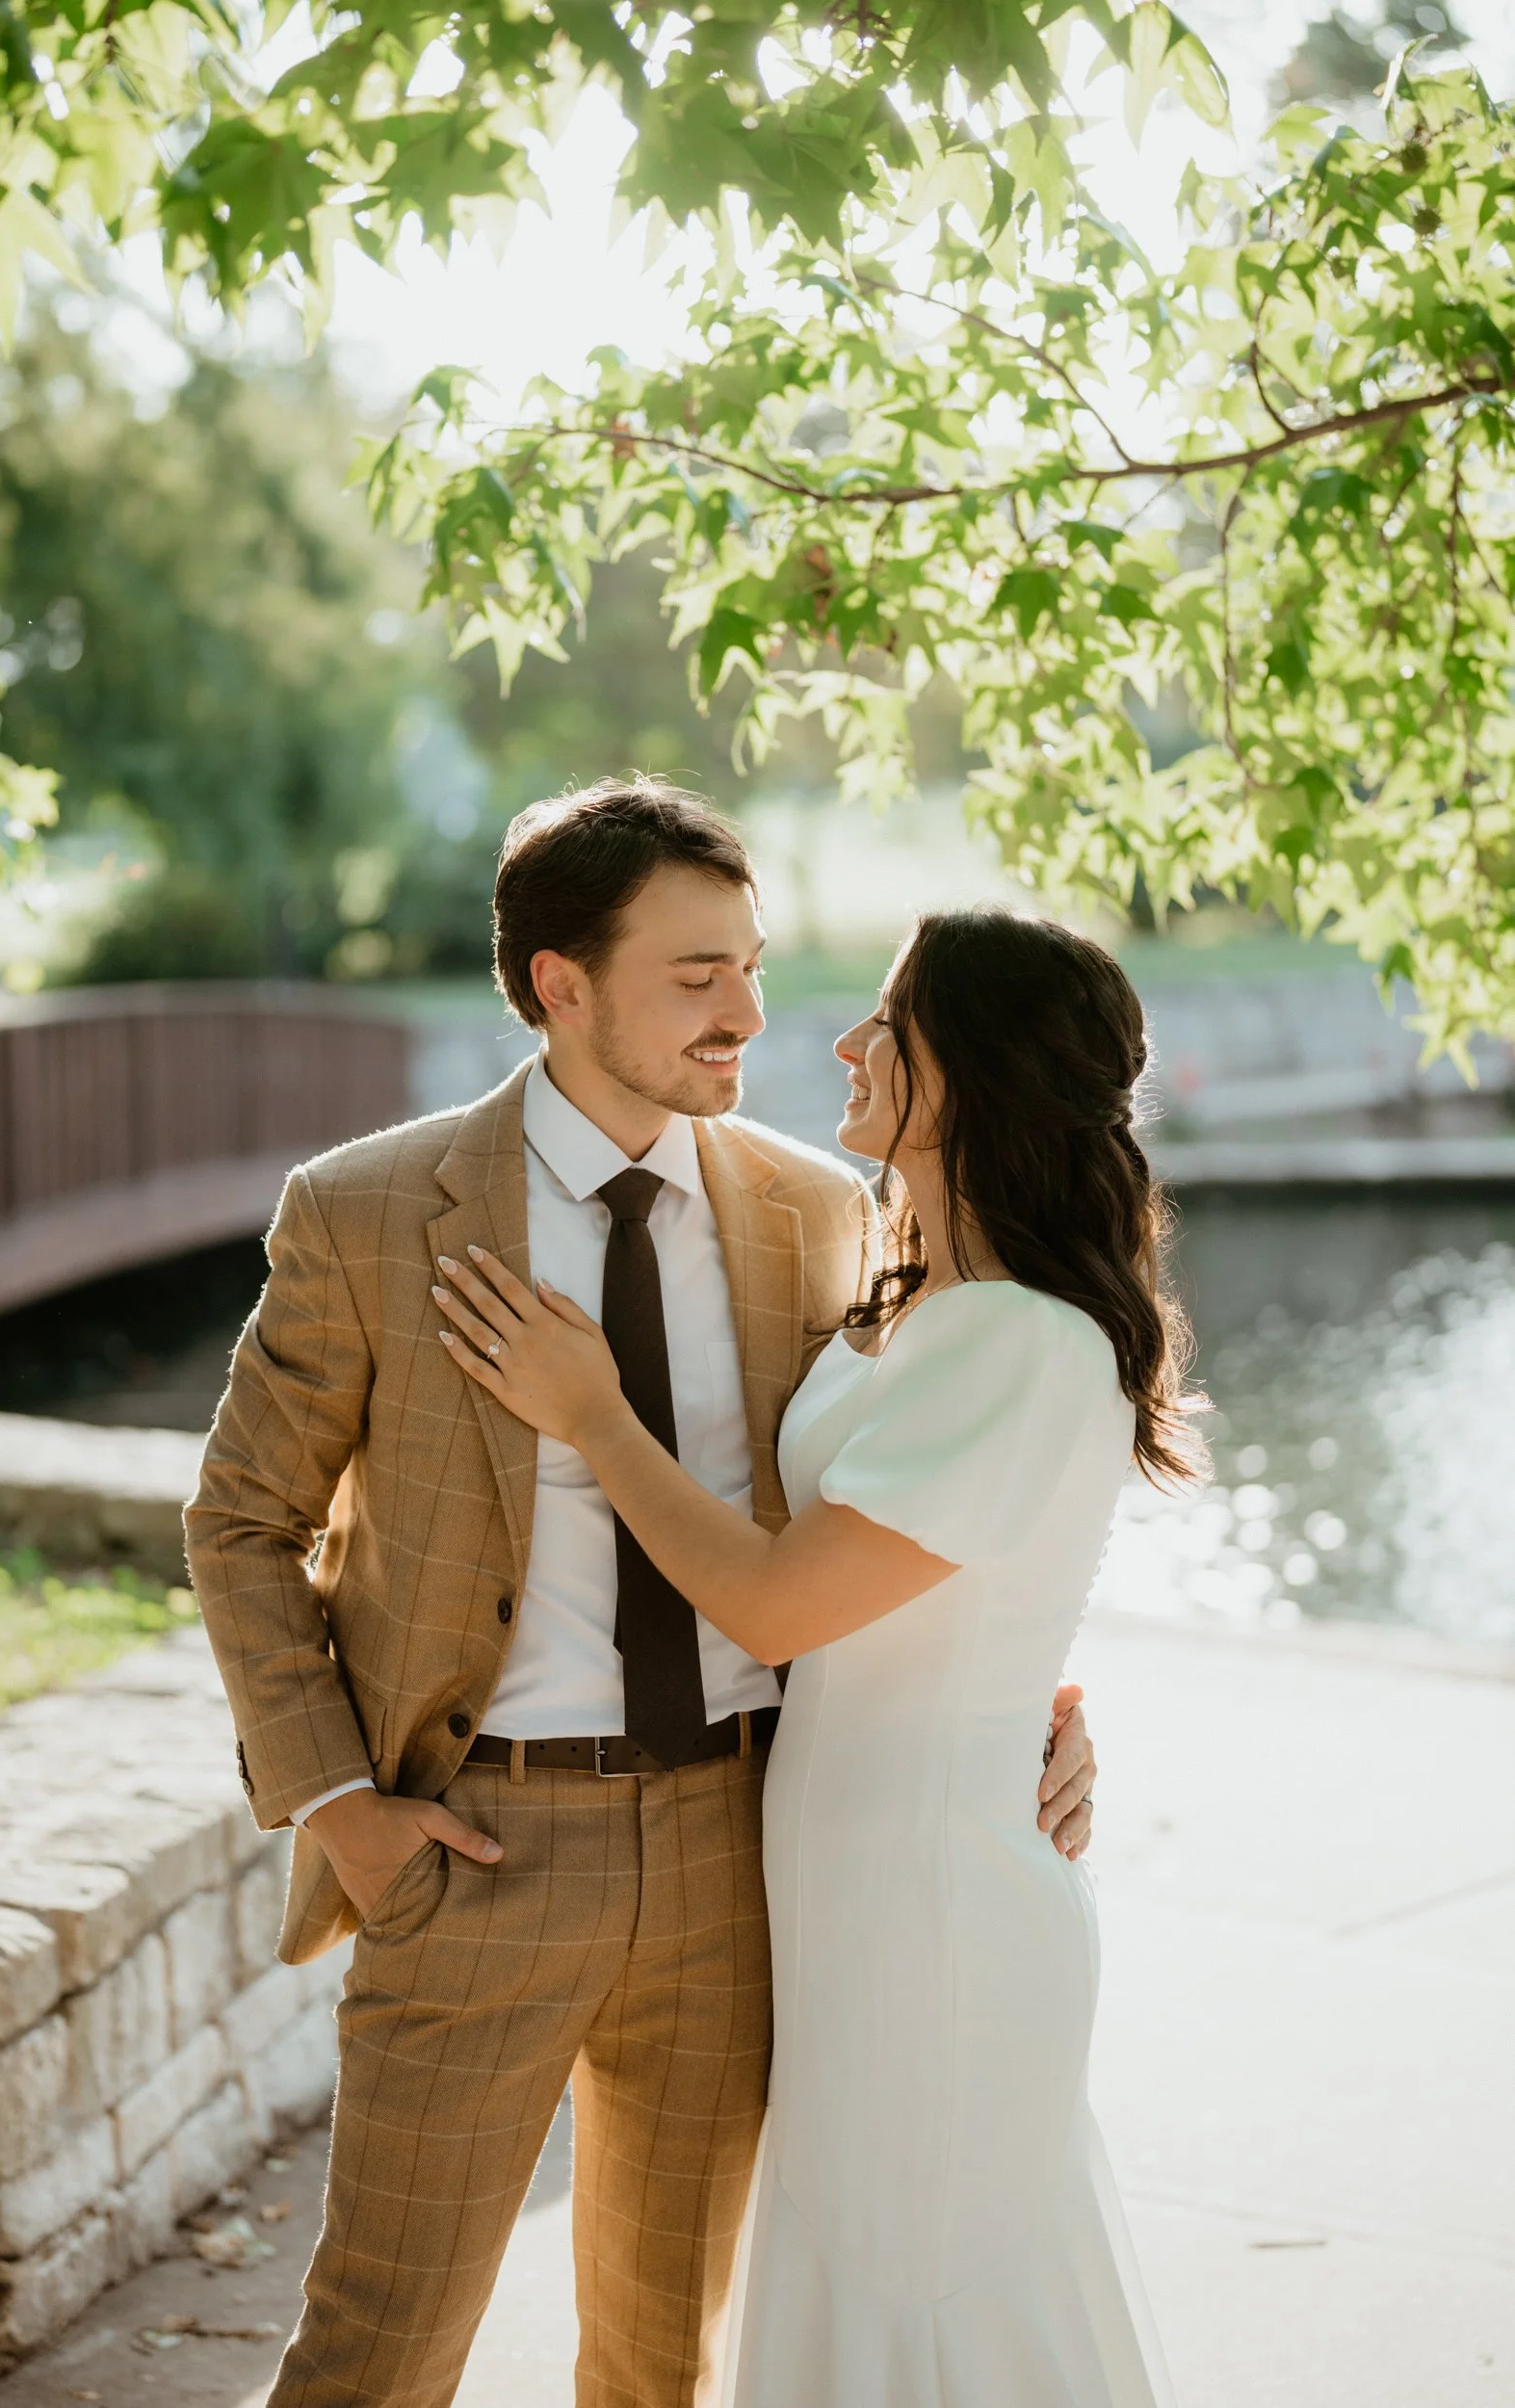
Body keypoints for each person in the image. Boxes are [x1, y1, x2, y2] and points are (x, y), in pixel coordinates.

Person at [185, 781, 1098, 2408]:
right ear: (559, 982)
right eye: (695, 976)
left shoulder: (813, 1210)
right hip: (473, 1853)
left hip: (739, 1860)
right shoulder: (371, 1212)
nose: (749, 1013)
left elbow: (914, 1493)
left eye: (749, 965)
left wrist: (1023, 1701)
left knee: (663, 2359)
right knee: (376, 2350)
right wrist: (339, 1804)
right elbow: (241, 1523)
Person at [433, 903, 1198, 2408]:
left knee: (929, 2302)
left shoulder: (1023, 1341)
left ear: (968, 1078)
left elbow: (779, 1608)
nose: (840, 1043)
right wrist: (1034, 1704)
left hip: (938, 1918)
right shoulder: (924, 1301)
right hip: (862, 1896)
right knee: (864, 2280)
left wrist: (592, 1414)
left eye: (889, 1030)